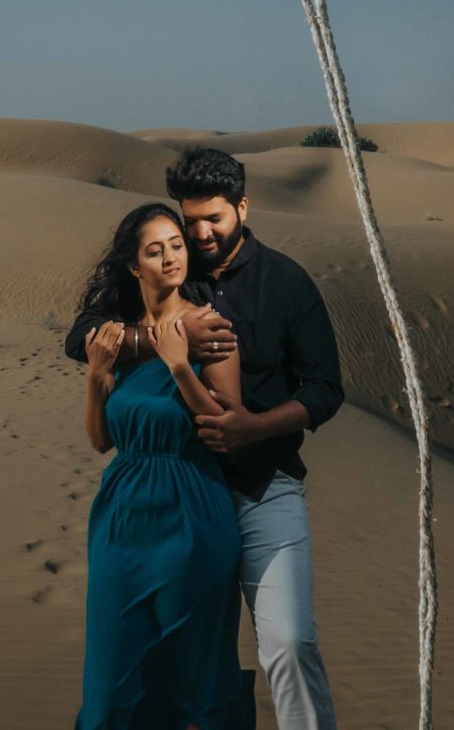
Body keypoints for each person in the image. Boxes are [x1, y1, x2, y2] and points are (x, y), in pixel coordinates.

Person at [67, 147, 343, 730]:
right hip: (176, 496)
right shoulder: (174, 274)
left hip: (262, 488)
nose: (199, 234)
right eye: (189, 222)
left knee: (289, 644)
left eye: (212, 219)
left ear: (243, 207)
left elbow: (325, 390)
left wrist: (253, 425)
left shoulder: (285, 283)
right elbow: (83, 335)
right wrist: (164, 336)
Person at [74, 201, 247, 730]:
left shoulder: (210, 328)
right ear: (134, 266)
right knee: (109, 686)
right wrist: (96, 380)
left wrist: (179, 365)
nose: (172, 257)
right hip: (121, 518)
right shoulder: (117, 338)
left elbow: (226, 428)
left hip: (191, 512)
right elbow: (102, 441)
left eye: (177, 245)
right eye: (155, 250)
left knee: (187, 684)